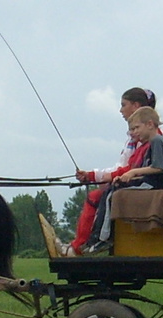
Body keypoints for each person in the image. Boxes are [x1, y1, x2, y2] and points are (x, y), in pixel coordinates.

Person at [67, 88, 157, 254]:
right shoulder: (136, 137)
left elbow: (132, 168)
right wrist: (94, 176)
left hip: (140, 184)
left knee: (99, 196)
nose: (120, 110)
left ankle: (88, 243)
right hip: (133, 180)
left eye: (123, 105)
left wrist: (99, 176)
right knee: (97, 195)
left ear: (136, 106)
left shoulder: (148, 137)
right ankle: (81, 244)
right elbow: (123, 166)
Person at [80, 106, 163, 253]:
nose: (134, 133)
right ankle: (97, 236)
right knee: (114, 187)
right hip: (150, 181)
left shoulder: (157, 141)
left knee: (113, 193)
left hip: (155, 184)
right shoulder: (153, 142)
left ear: (149, 124)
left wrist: (132, 173)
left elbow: (157, 168)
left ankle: (103, 238)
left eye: (136, 128)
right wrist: (124, 177)